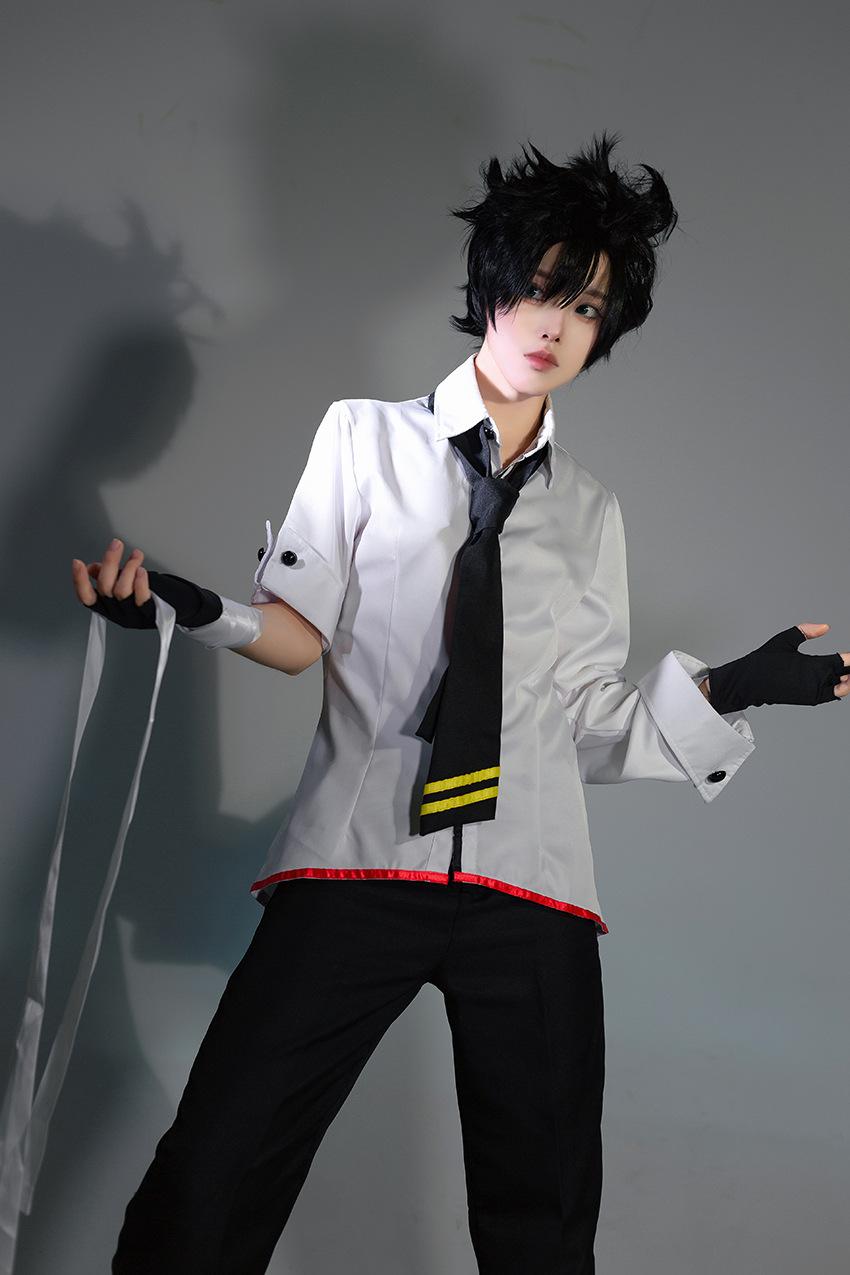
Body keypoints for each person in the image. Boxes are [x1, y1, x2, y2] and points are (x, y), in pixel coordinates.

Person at [69, 132, 849, 1274]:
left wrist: (734, 688)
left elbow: (581, 721)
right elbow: (298, 637)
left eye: (587, 307)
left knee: (544, 1227)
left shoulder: (590, 511)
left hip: (531, 888)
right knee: (213, 1176)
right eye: (541, 287)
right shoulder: (363, 438)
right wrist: (185, 608)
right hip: (359, 863)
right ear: (492, 285)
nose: (555, 324)